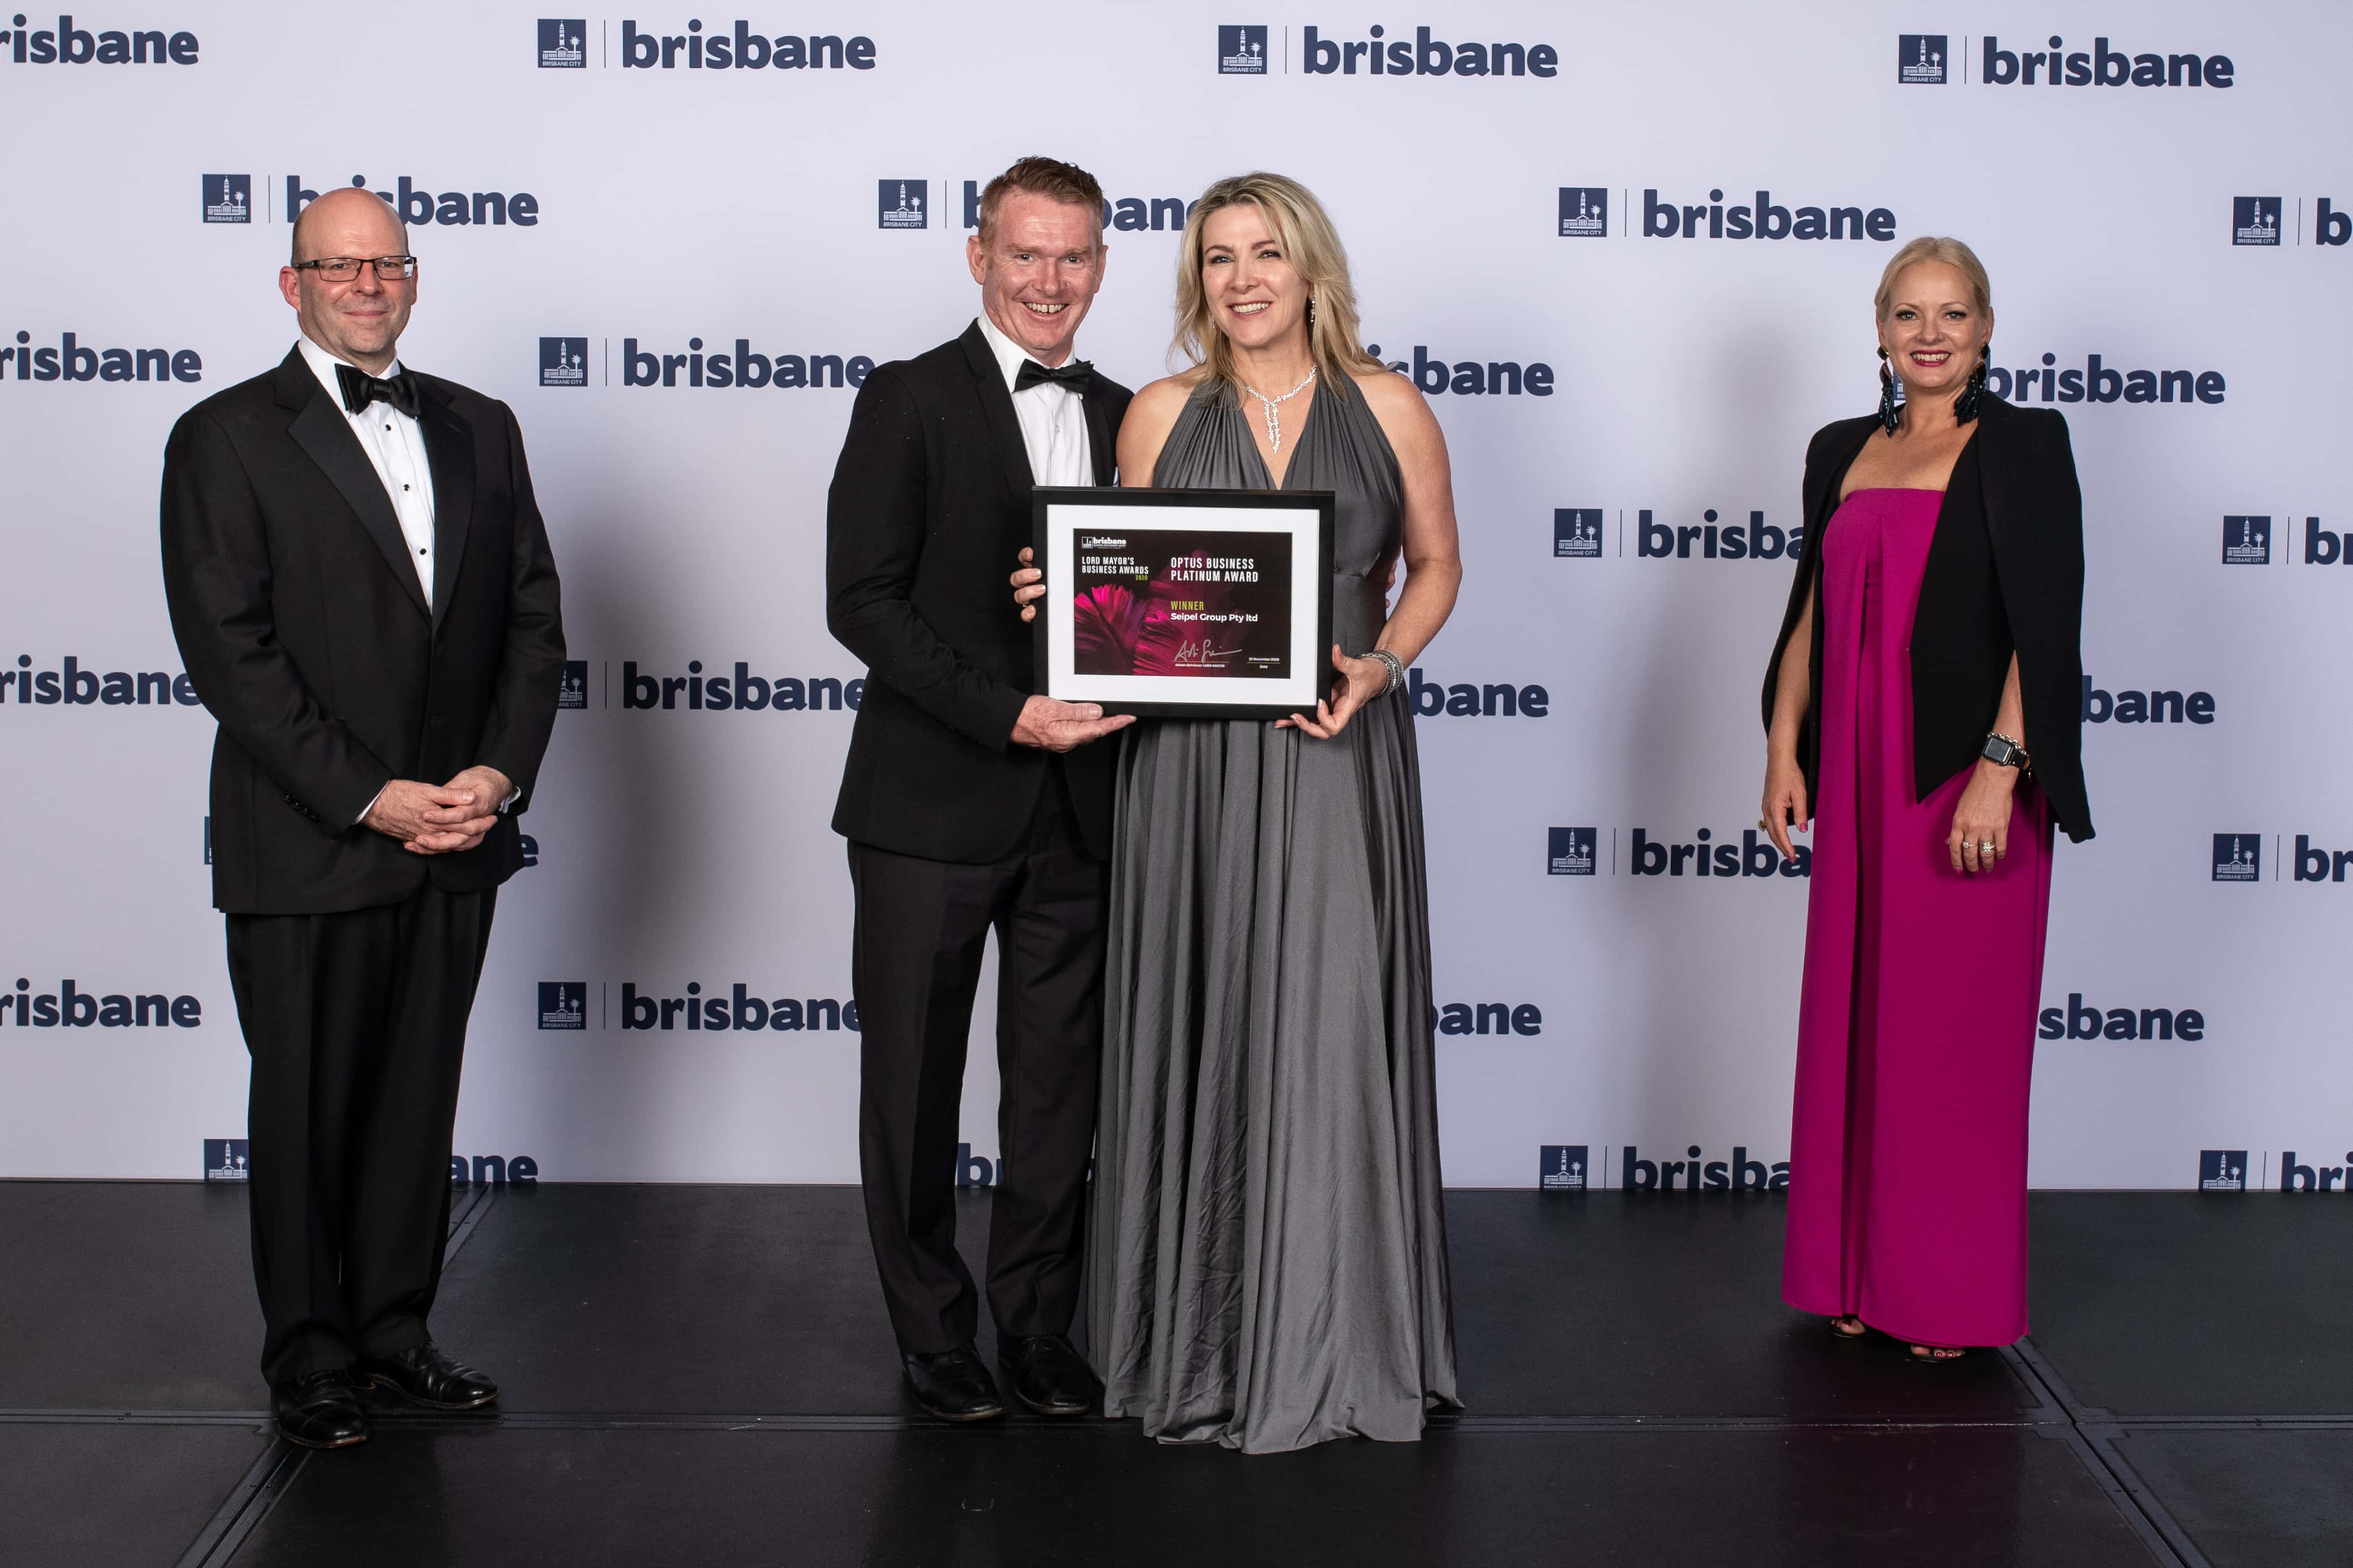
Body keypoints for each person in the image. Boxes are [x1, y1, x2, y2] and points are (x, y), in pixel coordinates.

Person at [1015, 171, 1463, 1451]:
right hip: (1194, 768)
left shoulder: (1391, 405)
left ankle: (1336, 1336)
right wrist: (1074, 597)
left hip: (1334, 751)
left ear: (1312, 267)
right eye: (1219, 258)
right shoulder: (1158, 412)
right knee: (1202, 1024)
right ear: (1196, 279)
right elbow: (1139, 600)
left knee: (1325, 1037)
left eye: (1267, 252)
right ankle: (1198, 1338)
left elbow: (1434, 564)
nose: (1243, 278)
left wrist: (1382, 664)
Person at [159, 187, 566, 1447]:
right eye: (340, 266)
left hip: (457, 833)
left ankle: (396, 1333)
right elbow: (234, 656)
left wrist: (494, 777)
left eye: (386, 262)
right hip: (311, 839)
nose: (366, 283)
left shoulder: (484, 427)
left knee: (414, 1099)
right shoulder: (223, 436)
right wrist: (372, 793)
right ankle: (312, 1355)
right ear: (294, 285)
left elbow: (533, 622)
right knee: (305, 1106)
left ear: (415, 276)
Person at [826, 157, 1134, 1423]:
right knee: (913, 1084)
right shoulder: (906, 398)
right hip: (930, 804)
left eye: (1073, 256)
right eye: (1027, 253)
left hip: (1089, 809)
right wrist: (1005, 706)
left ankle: (1041, 1327)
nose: (1049, 280)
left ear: (1103, 265)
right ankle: (933, 1334)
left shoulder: (1141, 411)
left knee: (1061, 1089)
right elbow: (862, 602)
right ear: (978, 257)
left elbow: (1170, 603)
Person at [1759, 236, 2092, 1363]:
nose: (1932, 333)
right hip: (1854, 775)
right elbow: (1811, 604)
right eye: (1910, 313)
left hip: (1959, 775)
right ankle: (1854, 1270)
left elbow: (2046, 626)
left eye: (1954, 313)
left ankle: (1941, 1290)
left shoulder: (2025, 445)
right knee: (1860, 1022)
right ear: (1882, 330)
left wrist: (2002, 768)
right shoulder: (1838, 448)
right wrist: (1782, 745)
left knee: (1951, 1041)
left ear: (1988, 328)